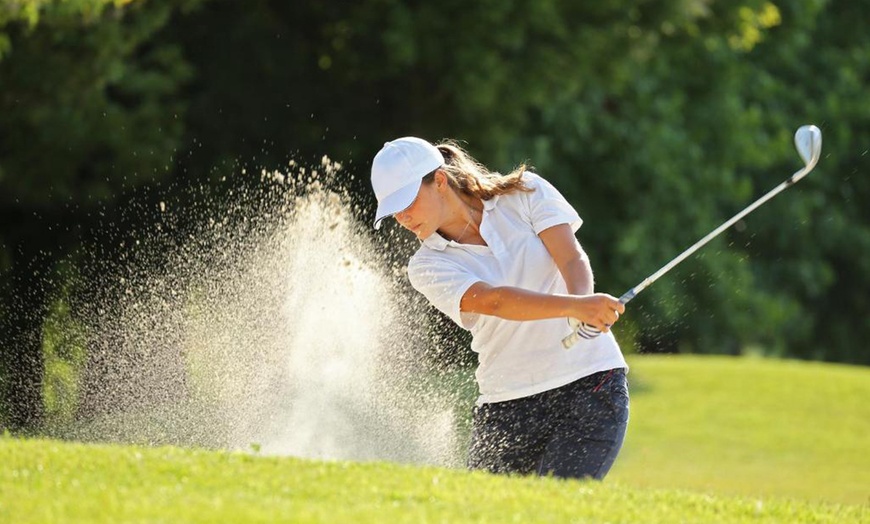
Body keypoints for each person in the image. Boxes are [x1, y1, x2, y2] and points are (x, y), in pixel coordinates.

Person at [370, 136, 629, 480]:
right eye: (394, 211)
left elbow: (570, 258)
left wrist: (580, 305)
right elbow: (494, 301)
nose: (402, 218)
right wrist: (575, 306)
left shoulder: (526, 193)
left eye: (408, 202)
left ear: (441, 181)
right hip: (506, 405)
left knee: (557, 509)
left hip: (589, 386)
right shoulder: (426, 265)